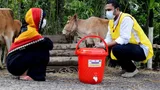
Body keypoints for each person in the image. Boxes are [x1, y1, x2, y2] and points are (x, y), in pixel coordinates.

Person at [95, 0, 153, 77]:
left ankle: (132, 70)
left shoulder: (126, 19)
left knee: (116, 49)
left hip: (142, 48)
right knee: (107, 47)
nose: (107, 12)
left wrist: (105, 45)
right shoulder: (111, 22)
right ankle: (125, 67)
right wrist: (101, 45)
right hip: (130, 47)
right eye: (106, 10)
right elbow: (108, 38)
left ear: (117, 9)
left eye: (109, 10)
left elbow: (124, 39)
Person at [6, 8, 53, 81]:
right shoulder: (31, 32)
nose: (44, 21)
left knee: (37, 48)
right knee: (43, 50)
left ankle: (25, 73)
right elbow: (49, 45)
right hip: (14, 64)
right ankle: (35, 76)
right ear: (37, 19)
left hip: (12, 63)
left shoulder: (27, 29)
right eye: (43, 18)